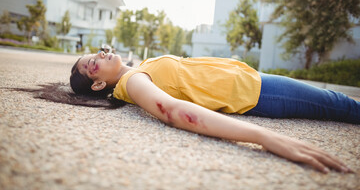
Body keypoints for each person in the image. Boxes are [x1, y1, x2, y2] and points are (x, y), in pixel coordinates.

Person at [70, 51, 359, 174]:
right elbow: (173, 111)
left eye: (97, 53)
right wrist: (262, 136)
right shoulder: (133, 82)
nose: (101, 55)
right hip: (255, 93)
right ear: (98, 84)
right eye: (92, 63)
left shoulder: (138, 69)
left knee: (341, 104)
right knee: (342, 104)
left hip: (250, 80)